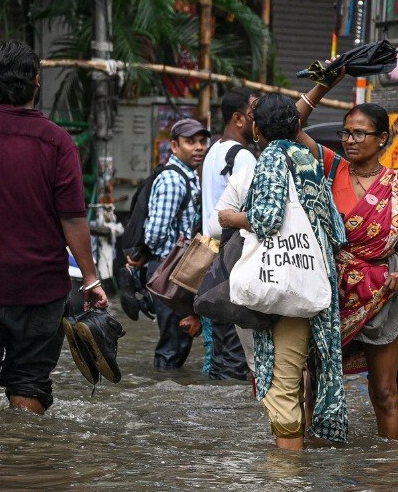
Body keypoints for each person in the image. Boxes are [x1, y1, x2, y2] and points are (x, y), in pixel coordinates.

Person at [0, 41, 108, 416]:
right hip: (39, 289)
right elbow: (73, 218)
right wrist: (91, 279)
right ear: (36, 82)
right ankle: (23, 468)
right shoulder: (58, 142)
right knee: (29, 381)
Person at [295, 76, 398, 440]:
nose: (350, 140)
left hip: (385, 292)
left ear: (382, 139)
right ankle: (314, 462)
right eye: (347, 132)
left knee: (384, 392)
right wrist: (324, 86)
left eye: (360, 133)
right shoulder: (330, 168)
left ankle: (388, 469)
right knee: (315, 386)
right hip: (332, 292)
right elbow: (290, 124)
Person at [238, 93, 349, 450]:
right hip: (315, 278)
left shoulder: (271, 157)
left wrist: (232, 217)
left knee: (282, 386)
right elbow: (337, 228)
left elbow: (267, 219)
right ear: (297, 126)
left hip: (284, 284)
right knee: (299, 378)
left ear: (256, 129)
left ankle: (287, 476)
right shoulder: (309, 159)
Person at [128, 117, 208, 370]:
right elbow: (155, 231)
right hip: (168, 270)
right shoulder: (173, 180)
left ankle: (167, 383)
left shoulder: (187, 177)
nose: (199, 147)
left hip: (174, 269)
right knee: (173, 342)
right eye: (190, 142)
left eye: (202, 141)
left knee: (179, 339)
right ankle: (163, 385)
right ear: (174, 146)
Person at [200, 87, 258, 380]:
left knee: (220, 353)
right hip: (235, 260)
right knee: (237, 357)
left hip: (212, 262)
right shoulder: (244, 157)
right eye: (252, 113)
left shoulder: (214, 151)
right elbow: (255, 216)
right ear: (238, 118)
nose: (257, 120)